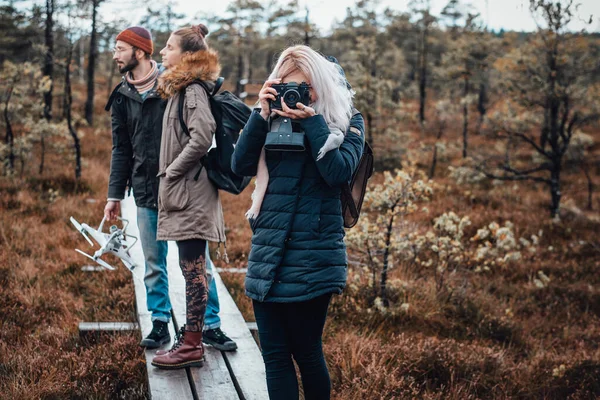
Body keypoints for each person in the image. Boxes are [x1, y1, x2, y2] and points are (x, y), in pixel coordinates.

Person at [231, 45, 365, 399]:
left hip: (315, 255)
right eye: (288, 85)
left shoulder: (348, 121)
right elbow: (239, 166)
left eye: (304, 87)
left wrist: (313, 123)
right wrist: (259, 114)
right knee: (274, 356)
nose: (296, 95)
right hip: (269, 251)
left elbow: (337, 173)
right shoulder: (271, 116)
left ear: (320, 86)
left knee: (306, 353)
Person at [104, 26, 236, 353]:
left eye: (121, 48)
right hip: (145, 189)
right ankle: (160, 321)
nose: (115, 55)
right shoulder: (121, 95)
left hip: (181, 189)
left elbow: (198, 133)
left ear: (140, 51)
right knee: (153, 261)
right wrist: (114, 195)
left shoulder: (173, 85)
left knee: (197, 260)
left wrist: (174, 171)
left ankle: (211, 325)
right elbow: (120, 148)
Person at [150, 24, 227, 370]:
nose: (162, 53)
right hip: (186, 193)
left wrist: (172, 171)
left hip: (190, 193)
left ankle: (192, 344)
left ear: (186, 55)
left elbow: (202, 136)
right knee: (190, 268)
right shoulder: (180, 89)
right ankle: (191, 339)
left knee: (194, 270)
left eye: (168, 47)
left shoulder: (192, 90)